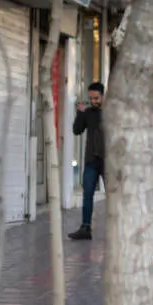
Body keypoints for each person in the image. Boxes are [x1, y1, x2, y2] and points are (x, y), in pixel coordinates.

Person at [68, 82, 106, 240]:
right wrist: (80, 113)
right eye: (91, 98)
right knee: (87, 194)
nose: (93, 101)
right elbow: (77, 130)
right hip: (91, 160)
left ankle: (118, 227)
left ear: (103, 96)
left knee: (115, 195)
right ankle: (85, 228)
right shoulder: (88, 112)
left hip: (108, 161)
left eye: (96, 98)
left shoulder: (112, 112)